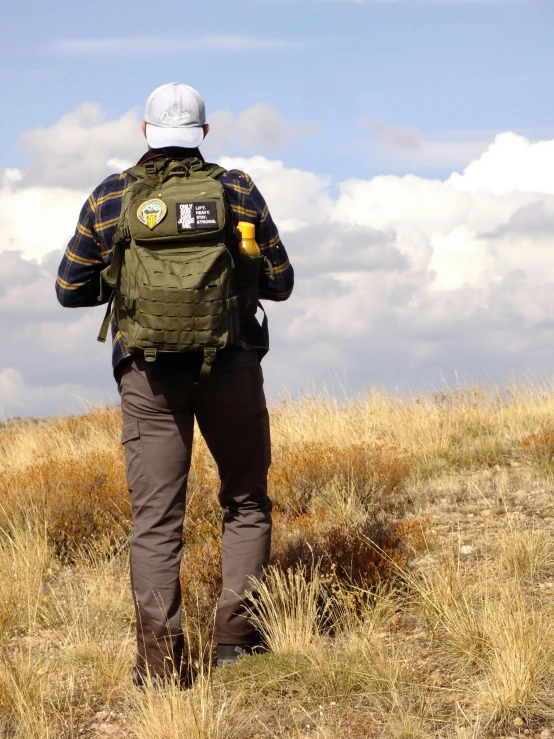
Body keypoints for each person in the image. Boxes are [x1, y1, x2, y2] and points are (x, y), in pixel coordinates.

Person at [56, 82, 294, 686]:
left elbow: (68, 289)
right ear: (204, 135)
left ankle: (160, 667)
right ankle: (238, 642)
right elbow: (281, 280)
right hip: (232, 364)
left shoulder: (112, 195)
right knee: (245, 501)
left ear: (145, 132)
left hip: (147, 375)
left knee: (157, 520)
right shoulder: (235, 188)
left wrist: (129, 283)